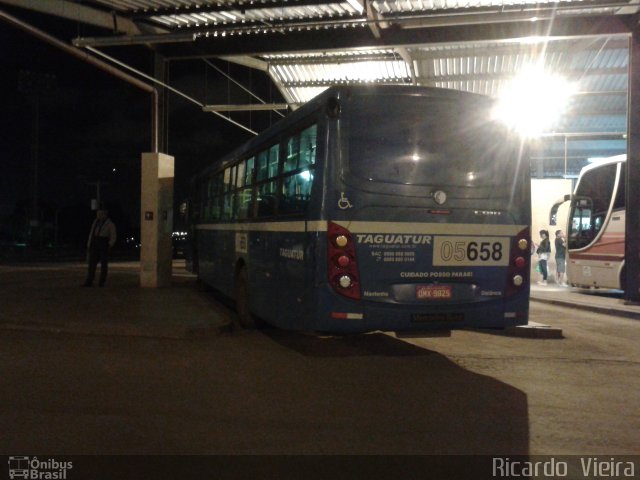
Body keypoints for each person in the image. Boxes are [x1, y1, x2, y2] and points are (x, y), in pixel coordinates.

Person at [83, 209, 117, 287]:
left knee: (104, 264)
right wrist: (89, 244)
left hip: (103, 243)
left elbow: (113, 236)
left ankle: (102, 282)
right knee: (92, 263)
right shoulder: (95, 223)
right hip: (95, 243)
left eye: (100, 214)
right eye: (98, 214)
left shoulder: (110, 224)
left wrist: (109, 245)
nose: (98, 216)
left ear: (105, 215)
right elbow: (91, 233)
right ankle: (89, 280)